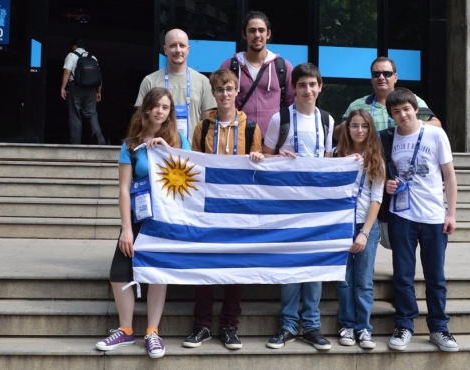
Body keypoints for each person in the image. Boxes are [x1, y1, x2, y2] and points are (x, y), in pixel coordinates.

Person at [95, 87, 191, 359]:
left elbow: (188, 175)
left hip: (164, 219)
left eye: (166, 107)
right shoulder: (130, 145)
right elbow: (124, 189)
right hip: (137, 218)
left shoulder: (178, 139)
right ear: (147, 108)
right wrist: (126, 228)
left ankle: (152, 332)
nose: (161, 111)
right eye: (157, 106)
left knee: (157, 274)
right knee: (119, 272)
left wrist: (169, 150)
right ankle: (126, 330)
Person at [183, 69, 263, 350]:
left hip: (238, 207)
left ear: (237, 91)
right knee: (204, 264)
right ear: (213, 94)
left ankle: (230, 325)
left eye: (229, 88)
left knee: (235, 266)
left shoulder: (251, 127)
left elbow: (258, 171)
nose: (225, 94)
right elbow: (191, 164)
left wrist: (257, 157)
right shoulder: (202, 127)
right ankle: (202, 325)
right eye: (219, 90)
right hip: (207, 206)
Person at [262, 63, 334, 350]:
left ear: (320, 87)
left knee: (315, 265)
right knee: (291, 265)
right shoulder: (280, 119)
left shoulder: (327, 120)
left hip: (316, 206)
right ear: (294, 87)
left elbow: (328, 162)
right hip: (287, 205)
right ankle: (289, 325)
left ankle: (313, 326)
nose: (307, 90)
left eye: (312, 85)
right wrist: (278, 156)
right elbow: (263, 159)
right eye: (302, 85)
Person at [382, 87, 458, 352]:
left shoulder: (436, 134)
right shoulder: (390, 139)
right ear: (391, 116)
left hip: (434, 216)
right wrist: (388, 186)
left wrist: (451, 214)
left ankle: (439, 328)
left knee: (435, 276)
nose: (402, 115)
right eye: (396, 112)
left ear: (415, 108)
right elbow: (385, 175)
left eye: (406, 109)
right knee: (403, 275)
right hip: (401, 215)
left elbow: (449, 176)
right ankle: (404, 324)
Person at [334, 109, 384, 349]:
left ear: (370, 129)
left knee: (363, 280)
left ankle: (363, 327)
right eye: (354, 125)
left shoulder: (376, 158)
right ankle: (346, 324)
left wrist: (364, 232)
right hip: (340, 225)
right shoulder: (336, 155)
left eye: (364, 126)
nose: (359, 130)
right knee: (344, 280)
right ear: (347, 128)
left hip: (366, 225)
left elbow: (377, 198)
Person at [220, 10, 295, 138]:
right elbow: (221, 103)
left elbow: (292, 106)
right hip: (238, 140)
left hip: (272, 144)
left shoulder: (283, 67)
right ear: (244, 34)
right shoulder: (229, 66)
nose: (257, 35)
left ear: (268, 34)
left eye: (261, 30)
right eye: (252, 30)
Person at [333, 56, 441, 141]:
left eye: (386, 73)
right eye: (376, 74)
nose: (381, 77)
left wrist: (409, 124)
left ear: (395, 77)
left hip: (403, 157)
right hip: (370, 160)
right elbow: (336, 135)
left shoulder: (411, 99)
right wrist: (355, 125)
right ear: (371, 79)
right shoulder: (357, 105)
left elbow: (437, 125)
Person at [136, 29, 216, 142]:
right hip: (157, 152)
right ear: (165, 49)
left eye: (182, 45)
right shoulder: (150, 81)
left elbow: (208, 124)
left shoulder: (203, 82)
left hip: (192, 153)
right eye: (173, 45)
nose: (178, 50)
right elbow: (140, 121)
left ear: (188, 50)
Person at [60, 38, 105, 145]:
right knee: (92, 113)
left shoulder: (71, 56)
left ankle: (75, 142)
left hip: (75, 87)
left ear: (75, 46)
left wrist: (62, 88)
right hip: (91, 89)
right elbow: (99, 76)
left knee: (75, 115)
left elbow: (67, 71)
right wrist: (99, 92)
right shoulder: (93, 57)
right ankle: (97, 133)